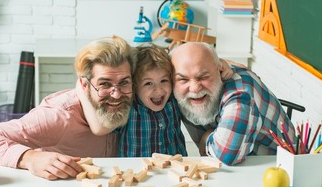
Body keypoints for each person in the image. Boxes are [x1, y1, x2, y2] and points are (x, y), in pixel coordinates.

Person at [0, 36, 137, 180]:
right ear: (84, 84)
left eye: (124, 82)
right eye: (104, 84)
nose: (116, 95)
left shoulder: (134, 99)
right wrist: (30, 158)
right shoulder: (59, 116)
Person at [79, 43, 235, 157]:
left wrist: (221, 63)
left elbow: (193, 63)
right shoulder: (128, 106)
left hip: (176, 168)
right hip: (137, 174)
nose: (158, 90)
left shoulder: (173, 100)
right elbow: (100, 125)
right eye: (148, 83)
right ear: (134, 85)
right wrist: (81, 87)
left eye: (164, 81)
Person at [170, 42, 296, 166]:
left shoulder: (241, 93)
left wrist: (206, 139)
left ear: (219, 70)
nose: (195, 88)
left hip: (276, 168)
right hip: (233, 169)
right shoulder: (172, 87)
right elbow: (152, 66)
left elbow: (226, 156)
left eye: (203, 77)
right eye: (183, 79)